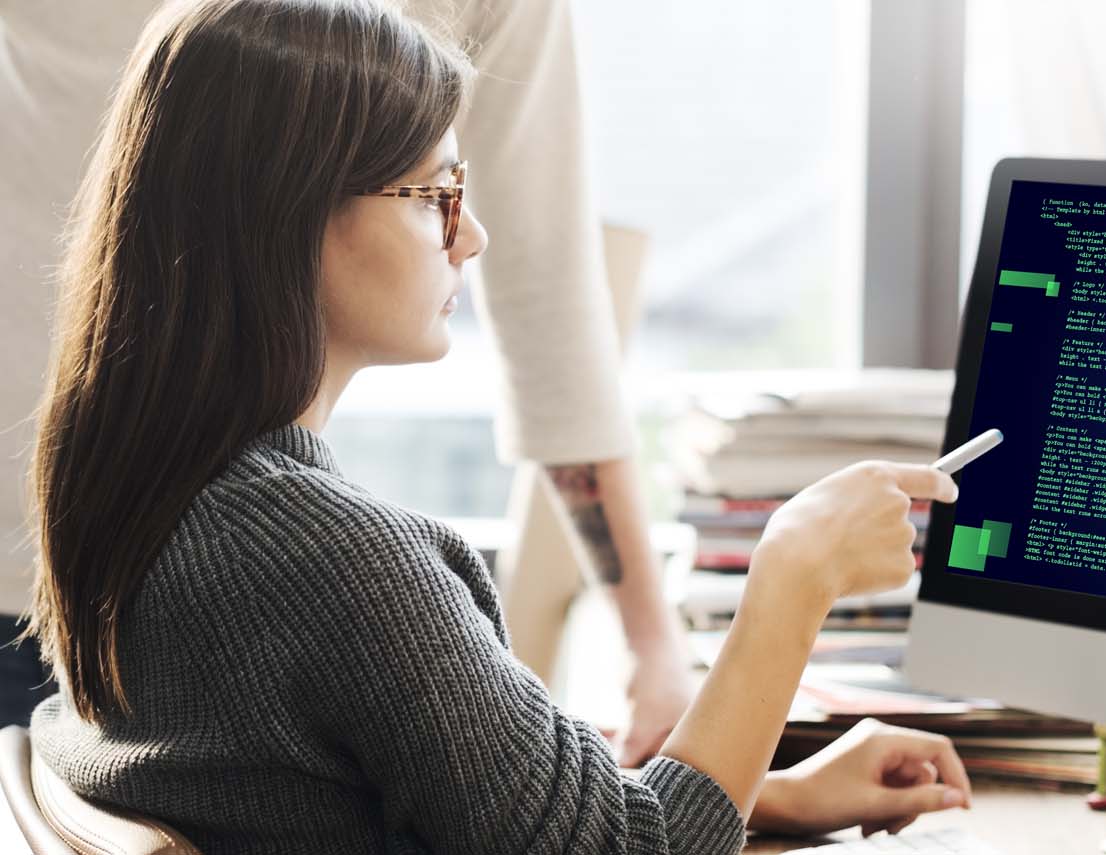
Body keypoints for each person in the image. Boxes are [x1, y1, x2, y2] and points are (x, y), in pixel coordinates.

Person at [22, 0, 972, 852]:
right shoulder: (332, 563)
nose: (470, 234)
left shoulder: (143, 496)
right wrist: (795, 572)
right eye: (433, 195)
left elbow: (474, 800)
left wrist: (766, 793)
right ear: (290, 214)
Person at [0, 0, 693, 764]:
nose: (468, 236)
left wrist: (648, 642)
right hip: (73, 564)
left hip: (100, 540)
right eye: (433, 196)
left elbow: (549, 303)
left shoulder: (325, 556)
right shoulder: (353, 571)